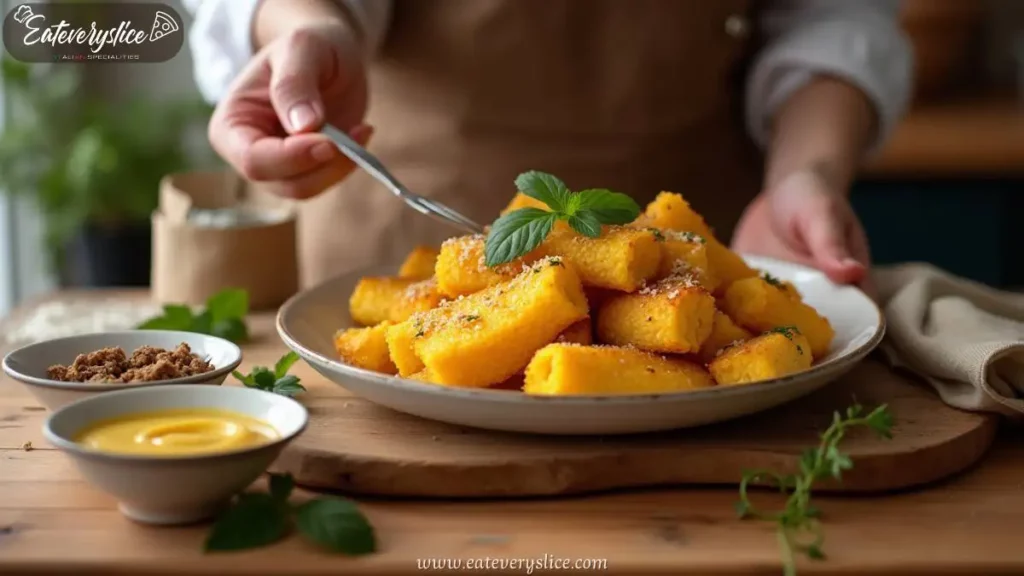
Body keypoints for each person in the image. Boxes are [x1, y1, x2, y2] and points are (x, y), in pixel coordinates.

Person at [184, 0, 912, 294]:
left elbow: (835, 12)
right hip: (388, 235)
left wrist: (807, 170)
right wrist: (306, 25)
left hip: (719, 246)